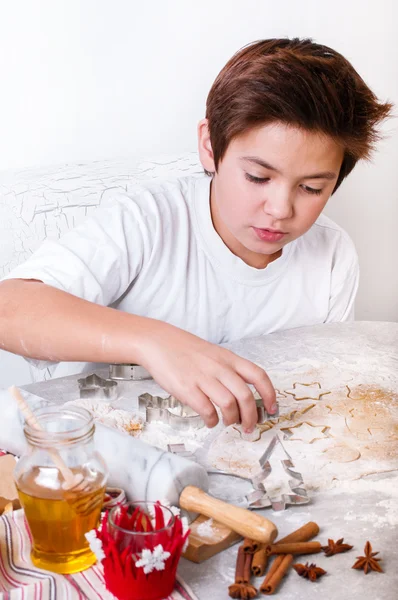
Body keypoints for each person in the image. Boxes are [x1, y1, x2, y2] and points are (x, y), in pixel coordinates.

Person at [0, 38, 392, 433]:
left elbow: (324, 388)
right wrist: (155, 342)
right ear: (209, 145)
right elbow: (8, 308)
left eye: (311, 188)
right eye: (258, 177)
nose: (280, 209)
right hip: (112, 457)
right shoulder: (149, 219)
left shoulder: (332, 254)